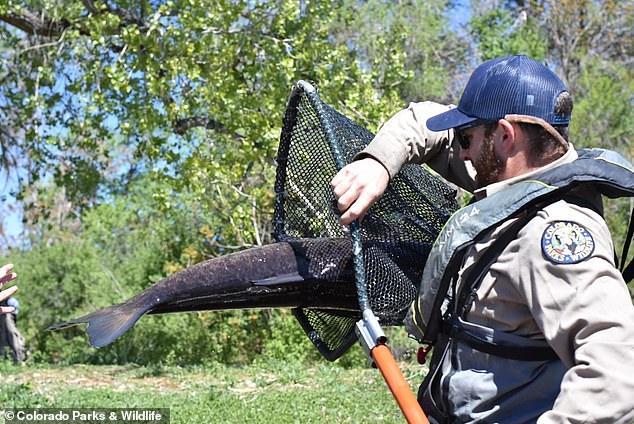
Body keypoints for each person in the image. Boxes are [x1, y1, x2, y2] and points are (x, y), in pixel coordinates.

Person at [331, 55, 634, 423]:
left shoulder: (553, 232)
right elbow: (425, 123)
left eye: (468, 138)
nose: (460, 151)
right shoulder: (518, 177)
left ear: (506, 136)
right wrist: (377, 162)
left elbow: (618, 372)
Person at [0, 263, 25, 363]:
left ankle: (19, 359)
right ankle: (4, 359)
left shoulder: (11, 300)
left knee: (12, 335)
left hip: (8, 318)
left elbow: (14, 313)